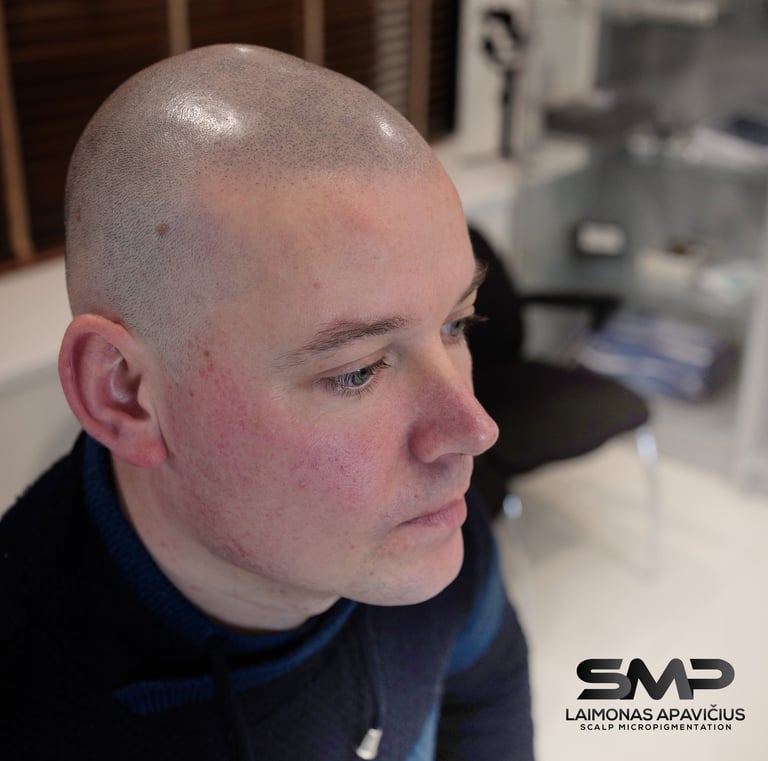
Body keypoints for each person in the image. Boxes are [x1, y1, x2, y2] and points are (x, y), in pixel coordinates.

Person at [0, 44, 534, 760]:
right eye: (358, 371)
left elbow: (487, 682)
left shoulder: (425, 530)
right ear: (124, 394)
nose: (472, 430)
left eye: (456, 324)